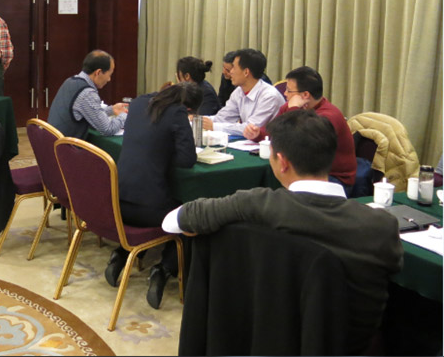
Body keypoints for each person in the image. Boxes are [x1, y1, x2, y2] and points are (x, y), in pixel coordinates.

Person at [163, 109, 403, 355]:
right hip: (349, 346)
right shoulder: (381, 226)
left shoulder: (256, 205)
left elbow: (173, 221)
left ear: (282, 161)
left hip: (270, 338)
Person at [105, 82, 203, 309]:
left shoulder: (138, 102)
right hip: (147, 209)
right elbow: (187, 159)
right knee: (189, 213)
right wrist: (165, 151)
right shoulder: (177, 112)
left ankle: (122, 253)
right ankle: (164, 269)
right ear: (189, 109)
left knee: (156, 196)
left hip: (117, 202)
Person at [243, 65, 357, 194]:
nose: (285, 94)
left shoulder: (328, 116)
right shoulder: (292, 108)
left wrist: (293, 110)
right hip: (303, 169)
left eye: (289, 90)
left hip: (331, 178)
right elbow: (275, 132)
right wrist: (258, 134)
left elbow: (298, 143)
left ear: (305, 95)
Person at [202, 48, 283, 136]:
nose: (231, 72)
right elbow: (222, 118)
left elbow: (250, 129)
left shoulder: (269, 96)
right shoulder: (239, 91)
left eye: (234, 67)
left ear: (246, 72)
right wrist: (197, 120)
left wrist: (214, 126)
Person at [48, 50, 127, 138]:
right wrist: (124, 115)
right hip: (66, 145)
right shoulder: (87, 93)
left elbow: (88, 112)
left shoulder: (70, 81)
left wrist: (111, 110)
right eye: (109, 75)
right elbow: (107, 129)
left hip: (52, 141)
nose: (109, 79)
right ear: (98, 73)